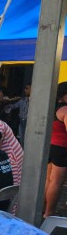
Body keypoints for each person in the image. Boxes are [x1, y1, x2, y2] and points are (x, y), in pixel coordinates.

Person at [44, 82, 67, 218]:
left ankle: (43, 209)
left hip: (49, 146)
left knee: (48, 179)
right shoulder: (65, 110)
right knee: (57, 182)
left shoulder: (51, 107)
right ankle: (49, 212)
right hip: (61, 148)